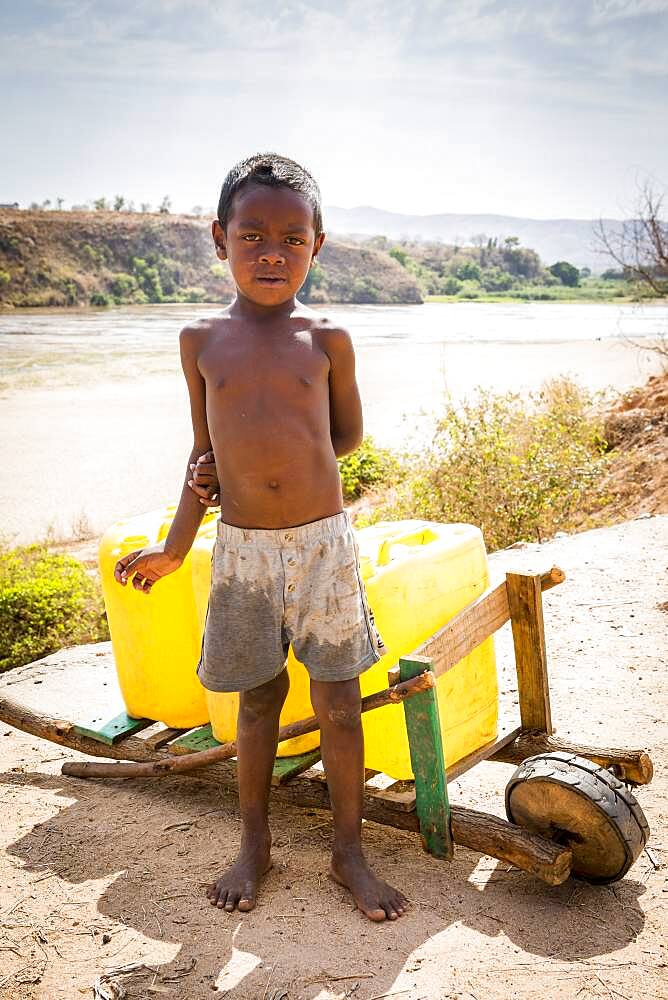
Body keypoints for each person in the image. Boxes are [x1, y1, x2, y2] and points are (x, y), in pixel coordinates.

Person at [113, 153, 407, 922]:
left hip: (323, 546)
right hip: (241, 549)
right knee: (256, 700)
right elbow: (199, 452)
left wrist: (284, 460)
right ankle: (255, 845)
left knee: (340, 701)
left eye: (291, 238)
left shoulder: (329, 338)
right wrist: (178, 543)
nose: (271, 254)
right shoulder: (200, 339)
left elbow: (343, 437)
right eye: (252, 237)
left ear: (318, 244)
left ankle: (348, 852)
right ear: (220, 239)